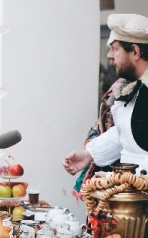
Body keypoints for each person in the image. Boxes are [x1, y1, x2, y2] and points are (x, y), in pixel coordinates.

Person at [63, 13, 148, 177]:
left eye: (115, 49)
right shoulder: (134, 86)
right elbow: (125, 132)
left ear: (135, 52)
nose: (109, 55)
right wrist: (89, 154)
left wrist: (115, 178)